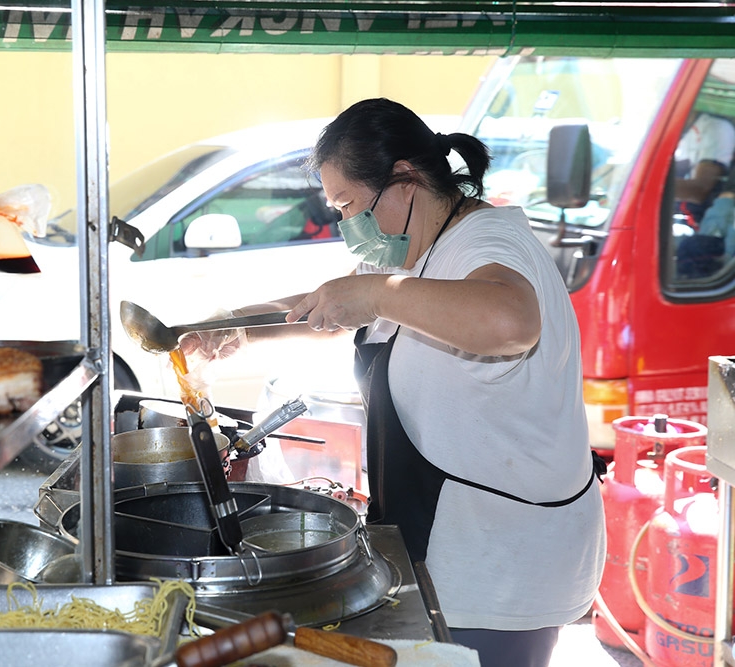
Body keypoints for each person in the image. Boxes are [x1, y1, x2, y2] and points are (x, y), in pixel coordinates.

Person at [181, 98, 606, 667]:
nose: (346, 224)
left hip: (502, 564)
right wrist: (234, 328)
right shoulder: (418, 250)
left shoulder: (487, 245)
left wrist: (382, 293)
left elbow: (510, 322)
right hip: (451, 544)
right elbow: (329, 305)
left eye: (350, 205)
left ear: (404, 180)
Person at [673, 112, 735, 227]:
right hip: (682, 222)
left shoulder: (716, 128)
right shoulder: (686, 133)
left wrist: (646, 186)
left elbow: (699, 190)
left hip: (710, 224)